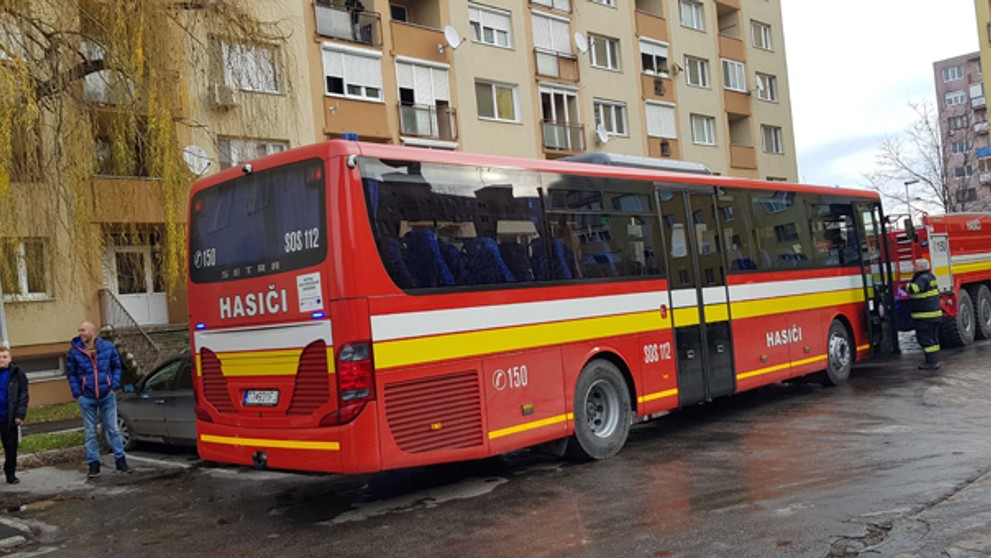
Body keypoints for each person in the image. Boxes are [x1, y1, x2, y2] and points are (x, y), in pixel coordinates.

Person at [67, 321, 128, 477]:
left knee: (113, 429)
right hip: (86, 397)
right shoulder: (74, 352)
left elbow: (117, 366)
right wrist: (78, 394)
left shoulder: (108, 347)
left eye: (83, 330)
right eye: (79, 330)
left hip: (107, 394)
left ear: (92, 331)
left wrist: (113, 385)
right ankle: (93, 465)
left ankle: (121, 461)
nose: (80, 333)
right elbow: (71, 374)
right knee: (90, 433)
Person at [906, 259, 942, 370]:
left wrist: (906, 285)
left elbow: (914, 289)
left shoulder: (922, 278)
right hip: (934, 315)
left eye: (915, 266)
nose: (914, 268)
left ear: (921, 267)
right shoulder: (930, 277)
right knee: (933, 339)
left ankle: (931, 363)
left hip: (925, 317)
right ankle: (935, 360)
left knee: (925, 339)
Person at [0, 347, 28, 484]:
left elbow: (23, 395)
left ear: (10, 358)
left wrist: (20, 415)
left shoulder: (17, 373)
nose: (1, 360)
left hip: (9, 417)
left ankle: (10, 473)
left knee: (11, 448)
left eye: (4, 357)